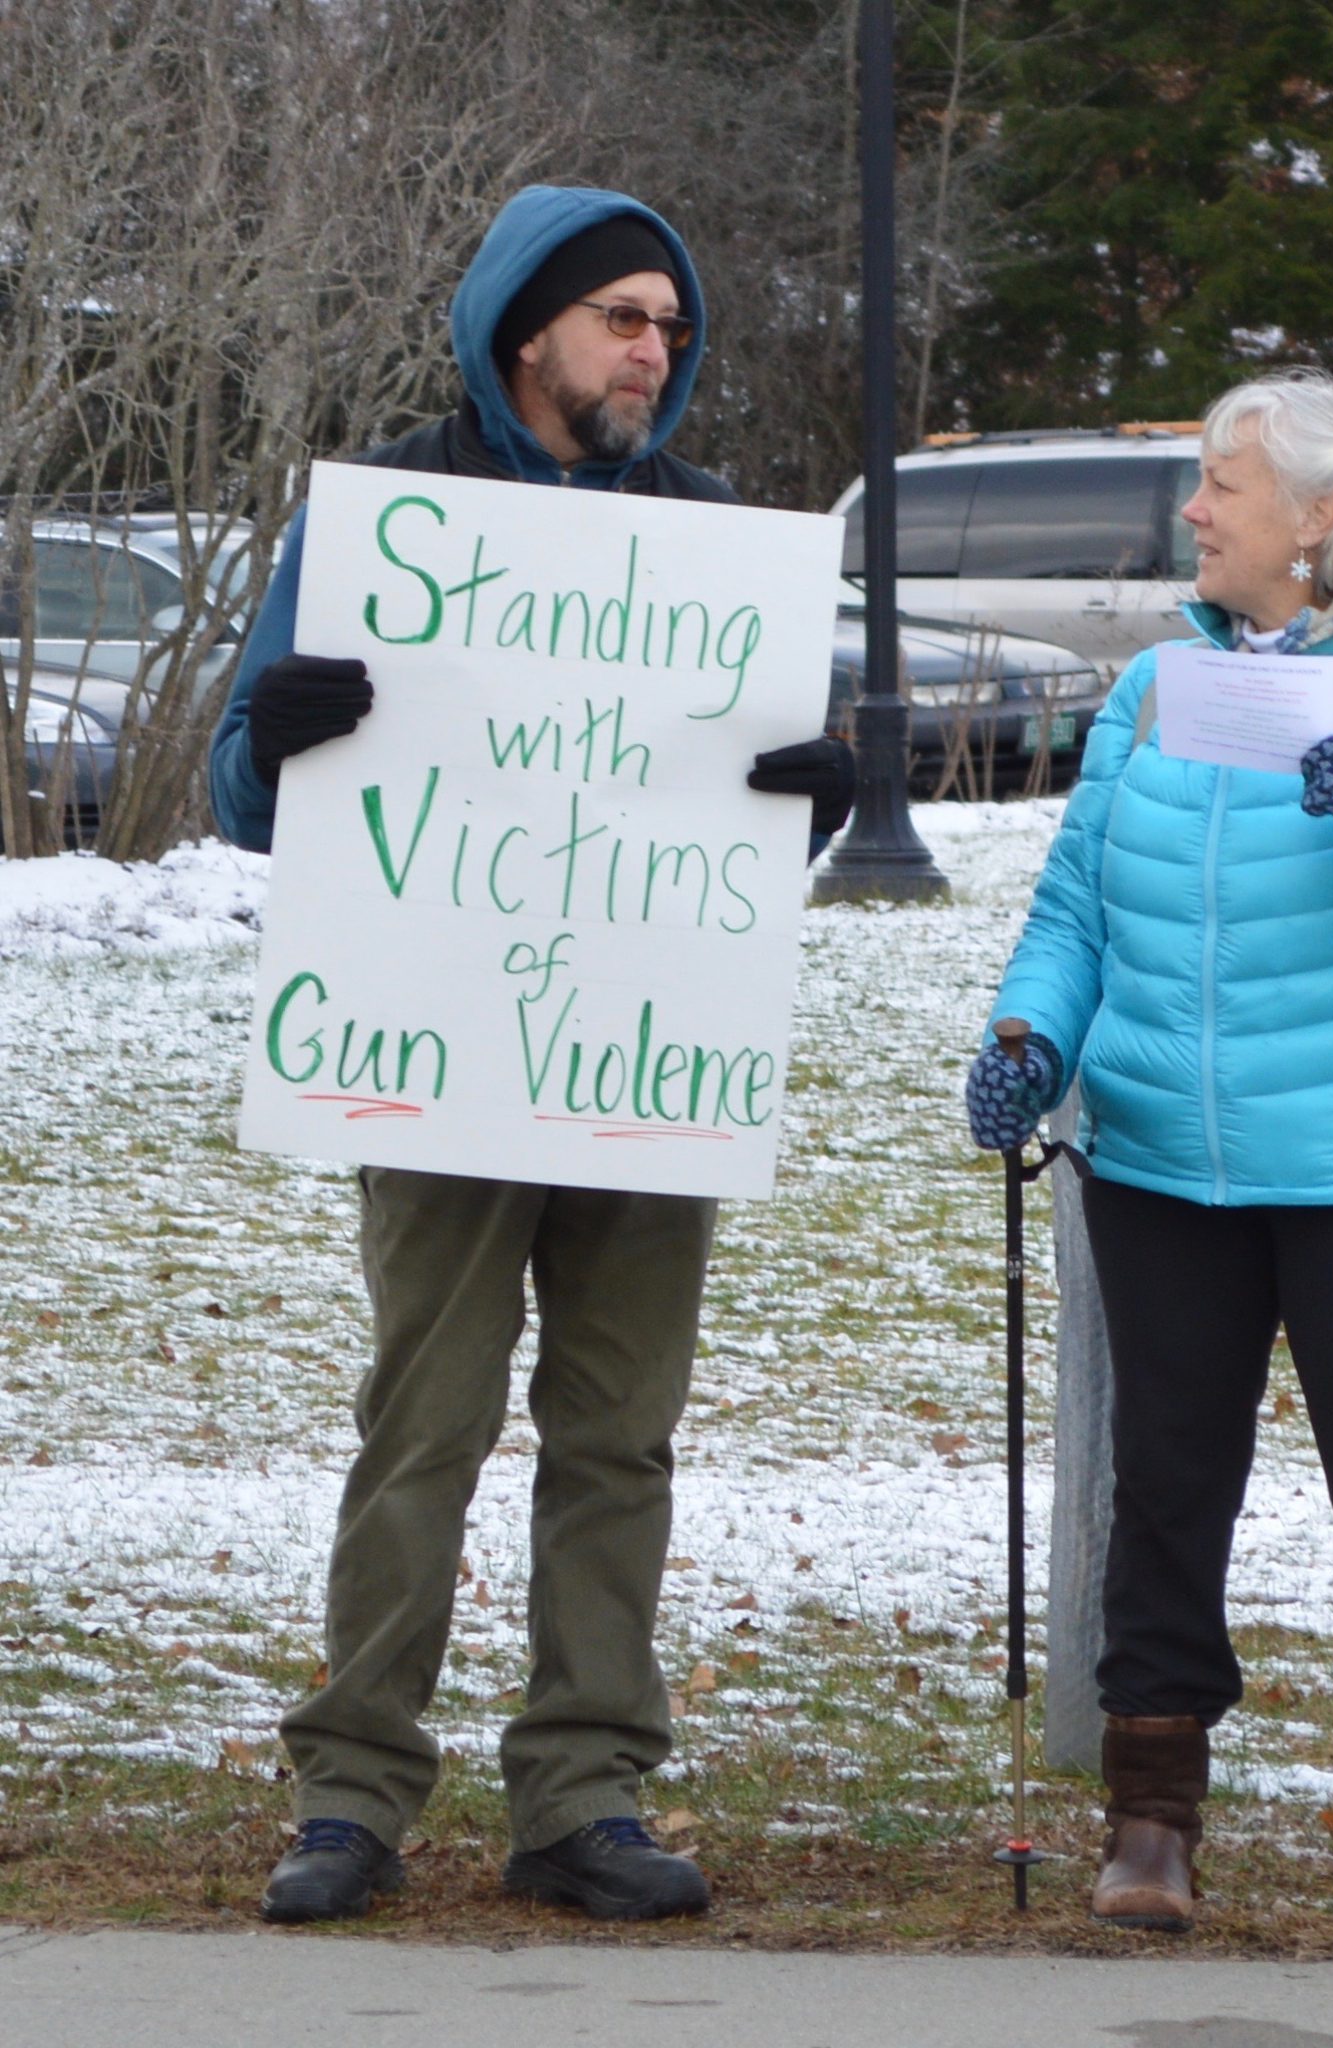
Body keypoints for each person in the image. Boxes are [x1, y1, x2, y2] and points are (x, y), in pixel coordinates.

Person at [209, 185, 853, 1926]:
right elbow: (242, 797)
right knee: (422, 1424)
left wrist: (811, 795)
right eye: (623, 318)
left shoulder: (711, 543)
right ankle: (352, 1794)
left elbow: (729, 825)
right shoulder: (389, 518)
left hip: (641, 1055)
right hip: (437, 1046)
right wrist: (281, 741)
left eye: (671, 327)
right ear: (525, 331)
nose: (656, 351)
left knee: (618, 1435)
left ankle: (584, 1794)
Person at [965, 370, 1333, 1948]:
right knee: (1165, 1491)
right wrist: (1030, 1041)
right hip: (1165, 1165)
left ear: (1321, 516)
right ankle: (1151, 1818)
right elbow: (1077, 913)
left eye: (1222, 484)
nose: (1195, 510)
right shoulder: (1156, 692)